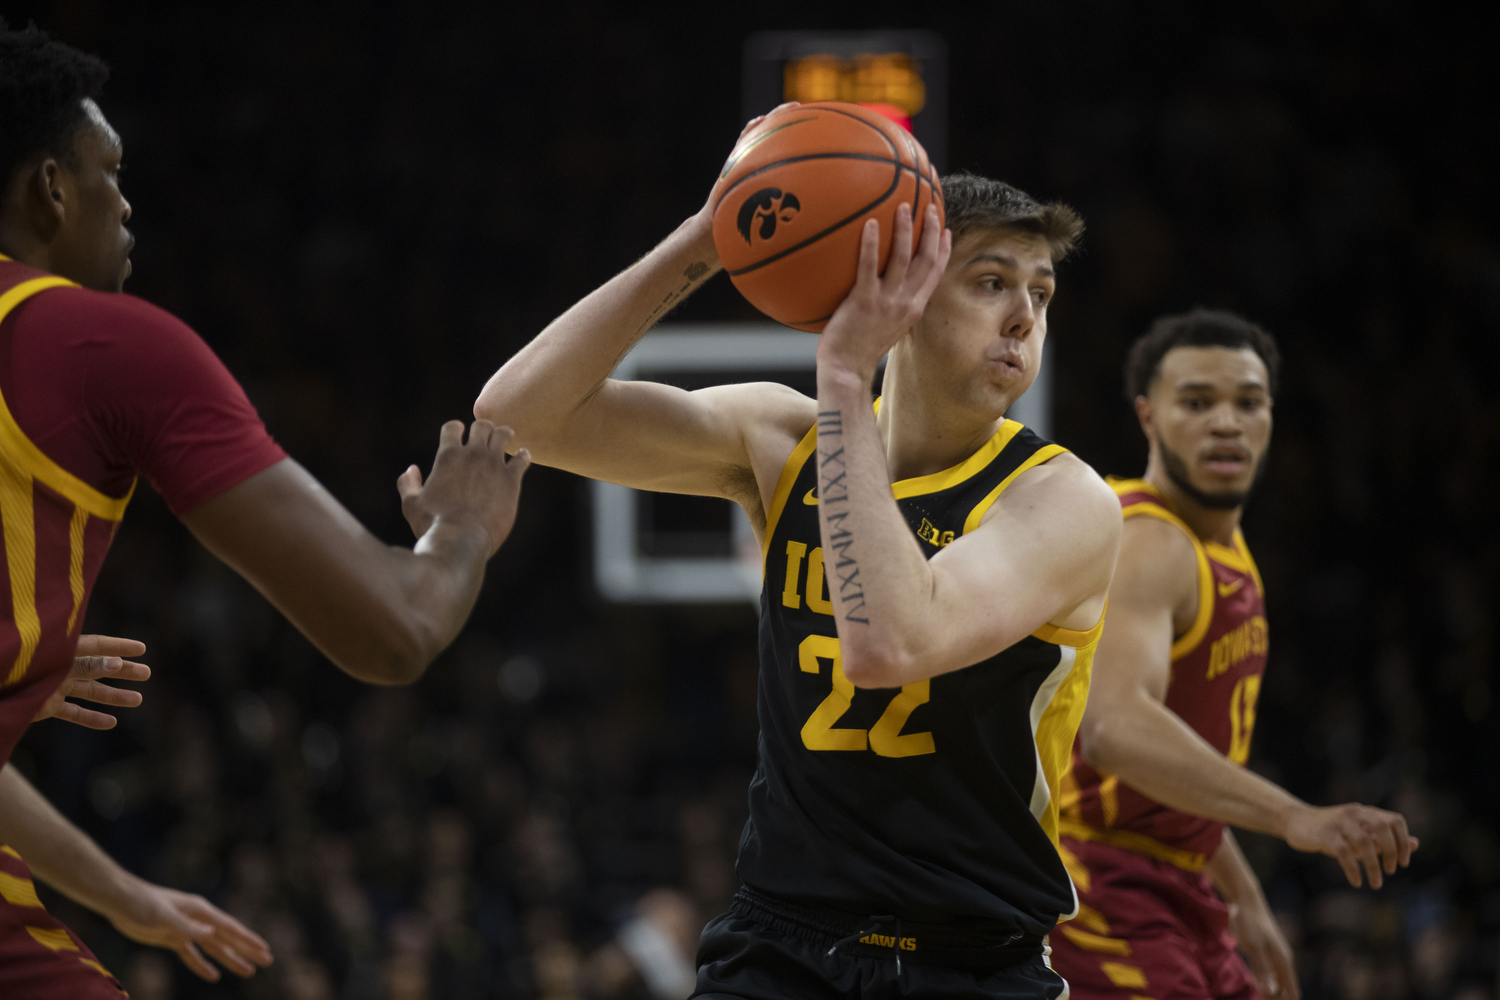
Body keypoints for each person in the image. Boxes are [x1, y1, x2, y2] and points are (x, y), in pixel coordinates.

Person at [477, 106, 1121, 999]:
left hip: (973, 960)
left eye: (1040, 293)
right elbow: (514, 420)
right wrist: (708, 239)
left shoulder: (1062, 500)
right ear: (897, 286)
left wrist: (847, 377)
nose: (1023, 316)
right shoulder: (777, 439)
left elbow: (890, 643)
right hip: (782, 945)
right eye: (990, 282)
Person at [0, 22, 530, 996]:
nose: (126, 203)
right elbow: (393, 633)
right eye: (108, 171)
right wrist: (462, 530)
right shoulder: (101, 345)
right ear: (49, 188)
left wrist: (116, 890)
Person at [1048, 310, 1418, 999]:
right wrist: (1295, 816)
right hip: (1096, 884)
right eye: (1197, 402)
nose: (1226, 422)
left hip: (1177, 882)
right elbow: (1113, 729)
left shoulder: (1223, 547)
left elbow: (1174, 774)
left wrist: (1242, 892)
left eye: (1248, 402)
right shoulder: (1149, 543)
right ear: (1148, 418)